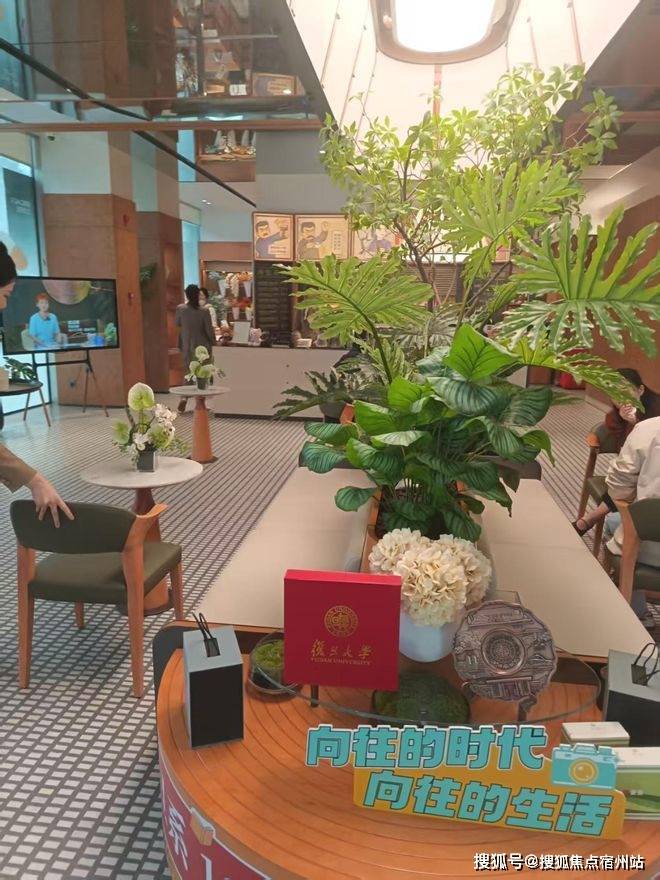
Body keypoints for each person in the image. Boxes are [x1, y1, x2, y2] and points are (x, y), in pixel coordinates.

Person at [0, 242, 73, 526]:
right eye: (5, 295)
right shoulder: (32, 320)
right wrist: (35, 480)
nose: (4, 305)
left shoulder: (52, 318)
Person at [573, 368, 654, 535]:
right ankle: (588, 521)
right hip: (635, 473)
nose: (620, 397)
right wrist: (630, 424)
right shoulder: (614, 418)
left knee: (628, 482)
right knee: (627, 480)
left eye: (625, 390)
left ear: (640, 390)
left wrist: (637, 424)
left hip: (653, 472)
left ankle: (587, 521)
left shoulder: (655, 411)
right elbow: (627, 454)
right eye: (614, 392)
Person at [603, 416, 660, 626]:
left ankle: (635, 610)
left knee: (614, 522)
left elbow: (618, 487)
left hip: (648, 550)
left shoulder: (648, 429)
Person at [175, 284, 215, 413]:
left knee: (188, 372)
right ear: (198, 295)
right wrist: (214, 342)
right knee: (202, 374)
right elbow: (209, 330)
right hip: (202, 347)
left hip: (186, 345)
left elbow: (177, 323)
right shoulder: (204, 311)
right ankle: (201, 403)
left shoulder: (180, 309)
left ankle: (184, 398)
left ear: (186, 295)